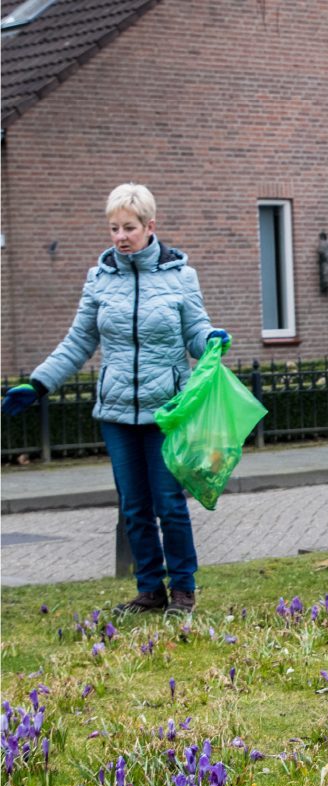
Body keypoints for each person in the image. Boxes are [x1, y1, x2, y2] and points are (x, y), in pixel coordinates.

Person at [1, 183, 230, 617]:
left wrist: (212, 339)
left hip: (169, 411)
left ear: (150, 226)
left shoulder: (181, 275)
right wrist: (38, 383)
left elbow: (196, 333)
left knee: (169, 504)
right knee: (134, 507)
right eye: (113, 228)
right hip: (117, 411)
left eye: (129, 227)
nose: (120, 236)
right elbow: (78, 342)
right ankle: (149, 591)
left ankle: (183, 590)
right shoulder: (100, 278)